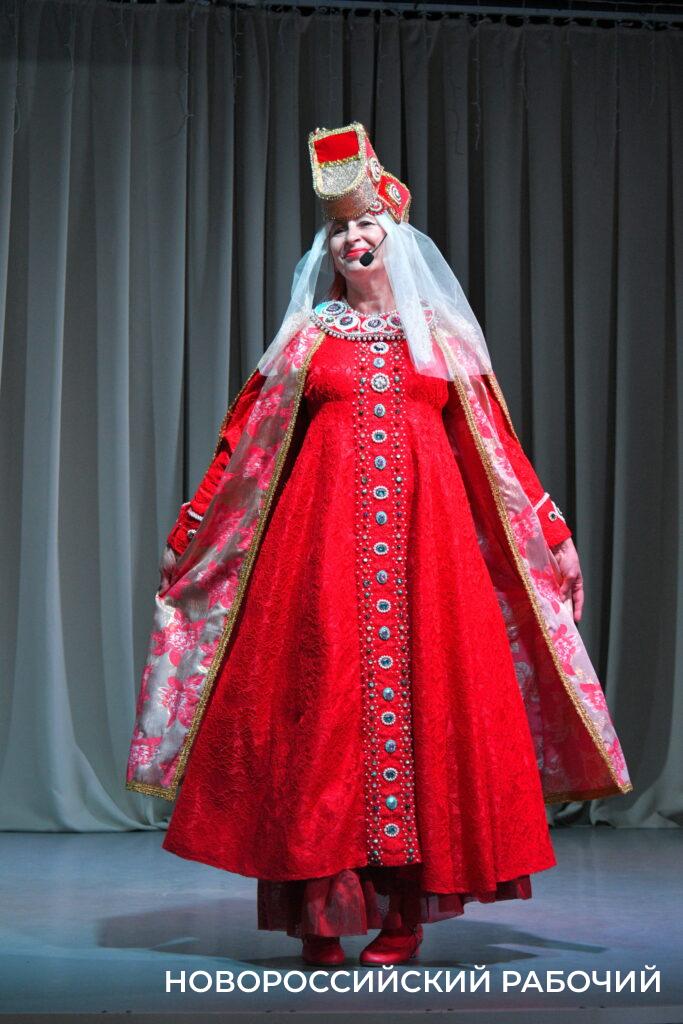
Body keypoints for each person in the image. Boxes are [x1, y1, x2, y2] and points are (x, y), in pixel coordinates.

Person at [125, 122, 632, 967]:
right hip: (319, 559)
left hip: (427, 561)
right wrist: (190, 534)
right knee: (321, 723)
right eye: (338, 230)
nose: (352, 239)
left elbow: (497, 453)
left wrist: (553, 535)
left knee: (424, 720)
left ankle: (402, 916)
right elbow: (243, 451)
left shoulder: (443, 342)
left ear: (396, 238)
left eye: (366, 225)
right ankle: (320, 915)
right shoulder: (307, 341)